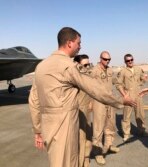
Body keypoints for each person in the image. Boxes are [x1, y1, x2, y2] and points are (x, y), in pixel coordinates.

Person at [28, 27, 136, 167]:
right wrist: (121, 100)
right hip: (65, 126)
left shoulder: (41, 66)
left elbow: (33, 100)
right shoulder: (69, 66)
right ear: (69, 43)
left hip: (48, 127)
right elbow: (95, 89)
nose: (80, 46)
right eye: (79, 43)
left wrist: (38, 130)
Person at [91, 51, 120, 165]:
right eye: (105, 59)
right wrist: (90, 103)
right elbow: (90, 87)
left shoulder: (110, 70)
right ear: (100, 58)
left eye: (109, 59)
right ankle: (97, 152)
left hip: (110, 101)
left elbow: (115, 82)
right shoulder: (94, 71)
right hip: (99, 102)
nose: (107, 61)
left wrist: (123, 93)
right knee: (98, 128)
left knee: (110, 125)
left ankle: (109, 145)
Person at [114, 54, 148, 142]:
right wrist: (124, 95)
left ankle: (142, 131)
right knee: (126, 116)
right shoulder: (122, 71)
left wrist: (144, 79)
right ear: (125, 62)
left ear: (133, 59)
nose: (130, 62)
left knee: (140, 114)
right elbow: (118, 84)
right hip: (128, 95)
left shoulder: (138, 69)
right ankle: (126, 134)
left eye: (131, 60)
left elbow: (142, 79)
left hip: (138, 94)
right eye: (128, 60)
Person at [74, 54, 93, 167]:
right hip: (78, 111)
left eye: (89, 64)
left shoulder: (87, 75)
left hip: (87, 110)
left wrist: (91, 101)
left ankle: (86, 159)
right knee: (80, 139)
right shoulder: (74, 77)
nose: (87, 67)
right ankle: (80, 163)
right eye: (85, 65)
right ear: (77, 64)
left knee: (88, 136)